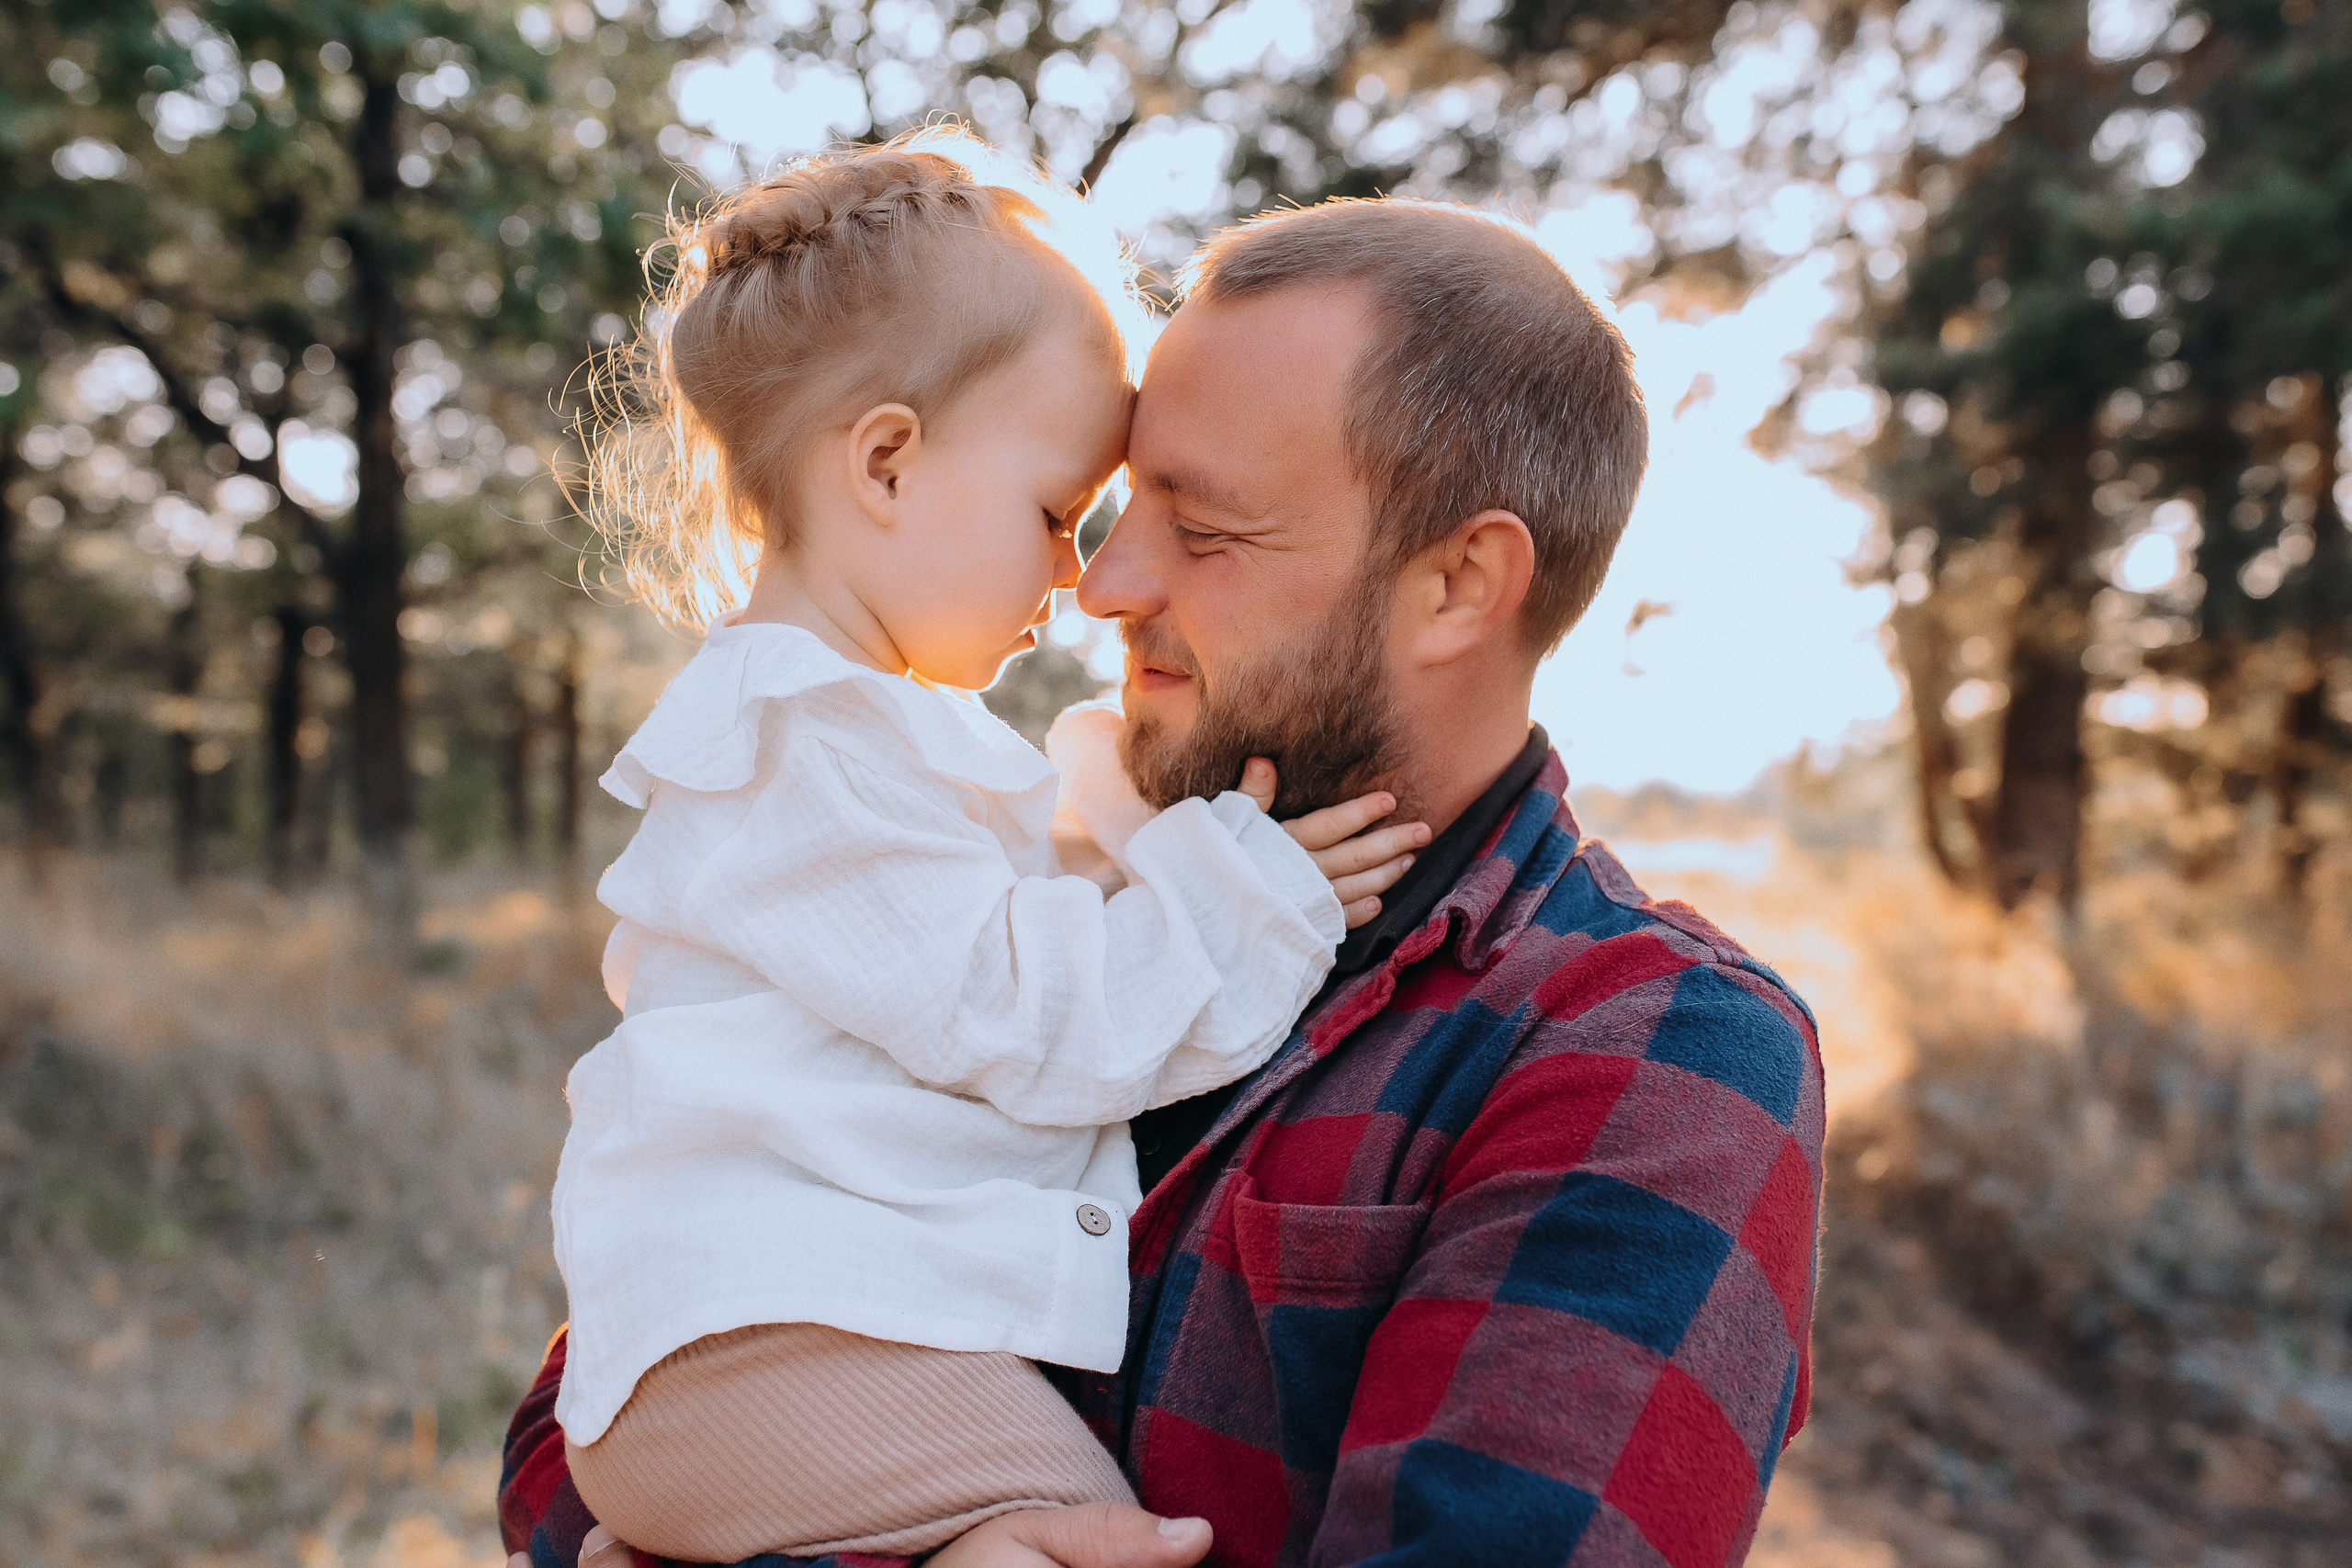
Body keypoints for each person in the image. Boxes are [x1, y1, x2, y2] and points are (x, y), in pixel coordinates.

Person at [503, 195, 1826, 1568]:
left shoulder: (1655, 1055)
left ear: (1456, 588)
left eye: (1203, 529)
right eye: (1104, 505)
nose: (1103, 584)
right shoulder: (1055, 899)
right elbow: (575, 1425)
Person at [540, 134, 1429, 1563]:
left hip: (771, 1351)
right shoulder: (801, 739)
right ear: (887, 462)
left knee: (1042, 1535)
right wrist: (1249, 889)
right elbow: (1022, 1012)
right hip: (767, 1359)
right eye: (1054, 514)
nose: (1081, 579)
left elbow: (971, 936)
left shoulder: (851, 734)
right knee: (1100, 1541)